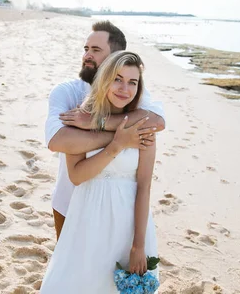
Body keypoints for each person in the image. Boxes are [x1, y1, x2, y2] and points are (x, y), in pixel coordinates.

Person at [40, 51, 159, 292]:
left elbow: (144, 186)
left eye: (132, 82)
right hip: (88, 215)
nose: (124, 88)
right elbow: (76, 175)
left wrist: (138, 245)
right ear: (104, 78)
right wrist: (117, 145)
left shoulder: (143, 124)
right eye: (117, 79)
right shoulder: (79, 118)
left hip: (129, 220)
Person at [45, 21, 165, 239]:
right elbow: (58, 141)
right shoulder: (66, 92)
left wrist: (95, 122)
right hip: (68, 202)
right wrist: (122, 138)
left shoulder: (131, 92)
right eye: (86, 49)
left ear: (115, 58)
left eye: (96, 50)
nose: (87, 55)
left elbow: (157, 121)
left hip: (118, 213)